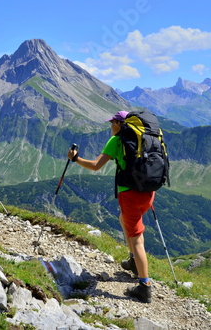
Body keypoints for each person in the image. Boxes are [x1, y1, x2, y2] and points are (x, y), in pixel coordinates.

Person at [67, 110, 154, 303]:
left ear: (119, 124)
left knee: (138, 238)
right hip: (148, 191)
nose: (110, 126)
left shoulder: (117, 141)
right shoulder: (145, 137)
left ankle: (144, 287)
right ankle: (132, 261)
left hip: (129, 193)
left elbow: (96, 166)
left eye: (112, 123)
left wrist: (75, 158)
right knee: (124, 220)